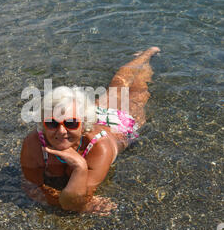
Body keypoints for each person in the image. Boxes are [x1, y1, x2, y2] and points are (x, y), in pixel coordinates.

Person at [20, 46, 160, 215]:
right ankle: (143, 58)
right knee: (117, 87)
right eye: (52, 123)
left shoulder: (99, 147)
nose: (61, 131)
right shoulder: (34, 142)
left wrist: (79, 167)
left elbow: (72, 203)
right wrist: (74, 201)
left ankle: (146, 55)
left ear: (84, 124)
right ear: (43, 124)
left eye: (70, 123)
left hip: (120, 123)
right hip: (88, 113)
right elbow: (32, 187)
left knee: (138, 89)